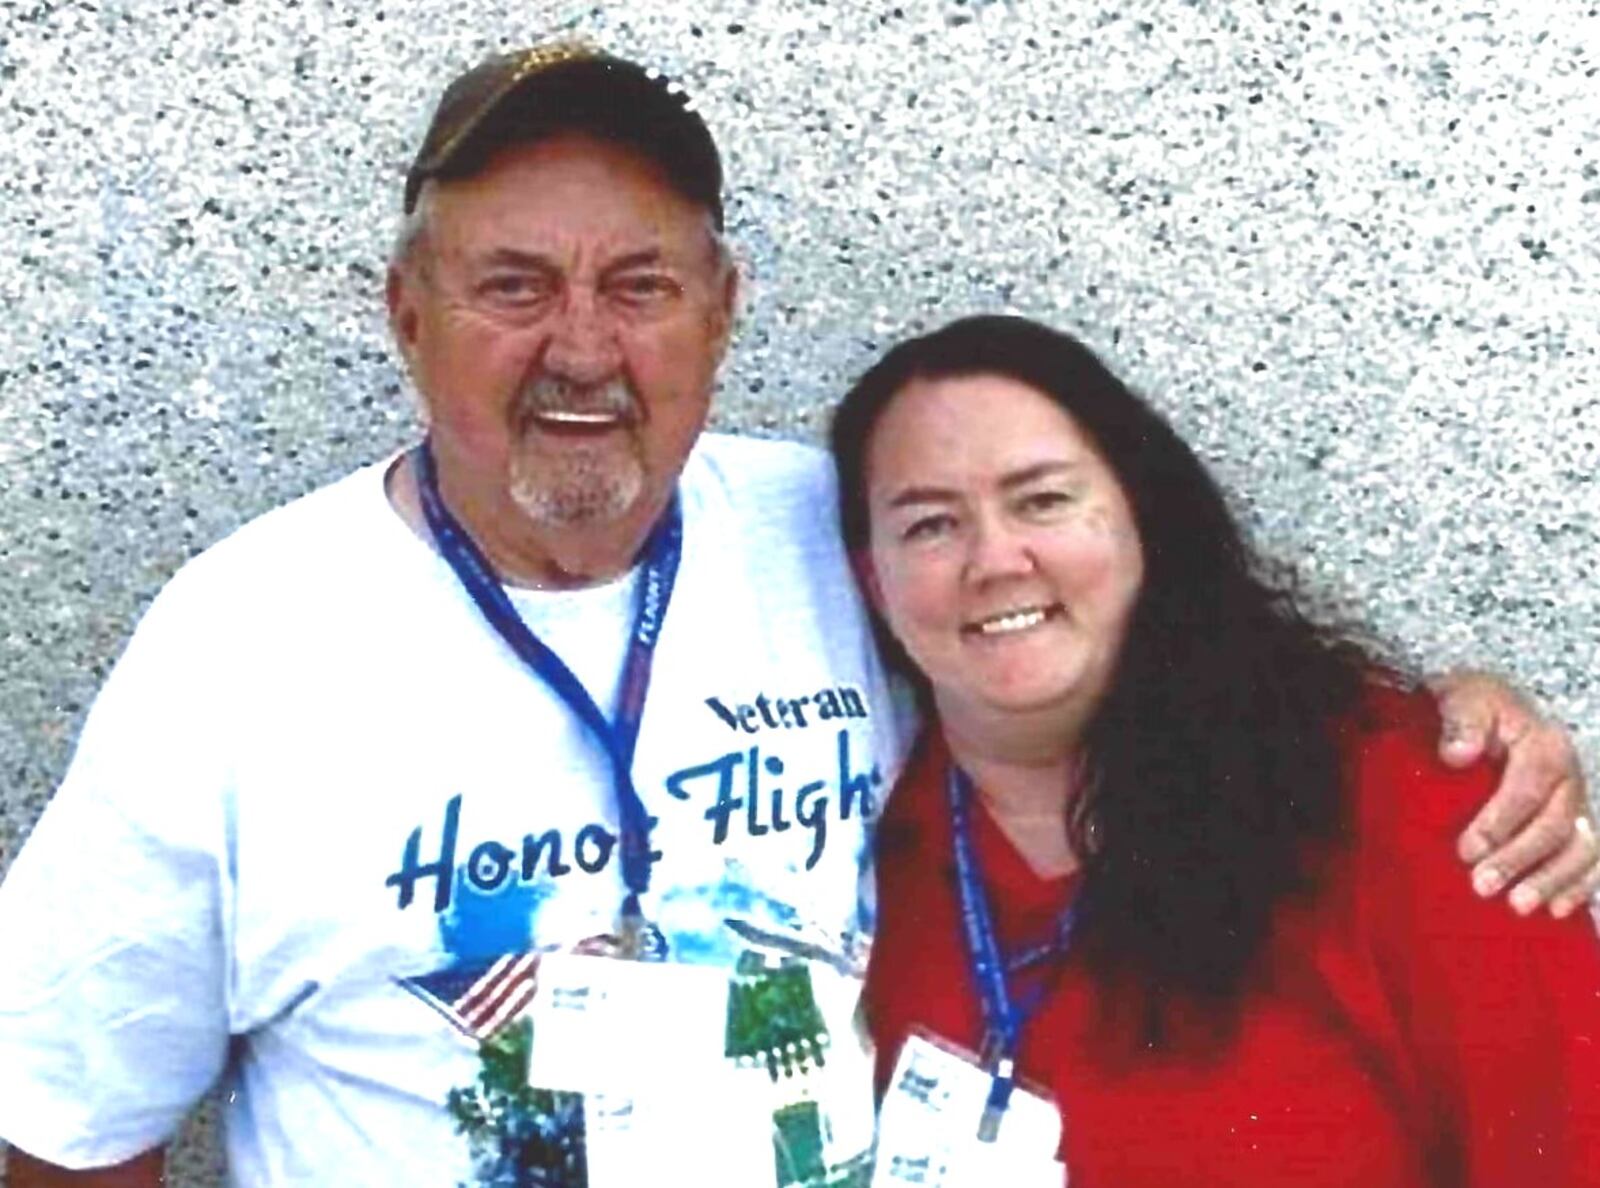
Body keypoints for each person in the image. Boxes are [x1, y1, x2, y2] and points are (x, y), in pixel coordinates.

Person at [0, 43, 1589, 1188]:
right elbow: (67, 1127)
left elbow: (1089, 646)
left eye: (640, 285)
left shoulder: (848, 534)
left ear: (721, 310)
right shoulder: (236, 650)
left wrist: (1457, 728)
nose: (581, 347)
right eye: (511, 286)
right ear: (404, 312)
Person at [838, 315, 1600, 1187]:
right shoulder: (852, 843)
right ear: (871, 577)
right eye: (930, 525)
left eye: (1042, 500)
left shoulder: (1405, 801)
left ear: (1140, 520)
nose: (996, 559)